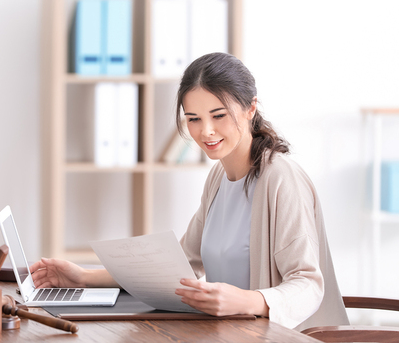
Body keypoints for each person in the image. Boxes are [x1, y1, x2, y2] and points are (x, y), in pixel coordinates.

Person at [31, 52, 349, 331]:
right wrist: (82, 277)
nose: (205, 131)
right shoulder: (218, 177)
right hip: (231, 333)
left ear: (250, 108)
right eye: (194, 119)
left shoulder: (281, 179)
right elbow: (180, 264)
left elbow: (308, 285)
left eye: (218, 115)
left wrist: (247, 300)